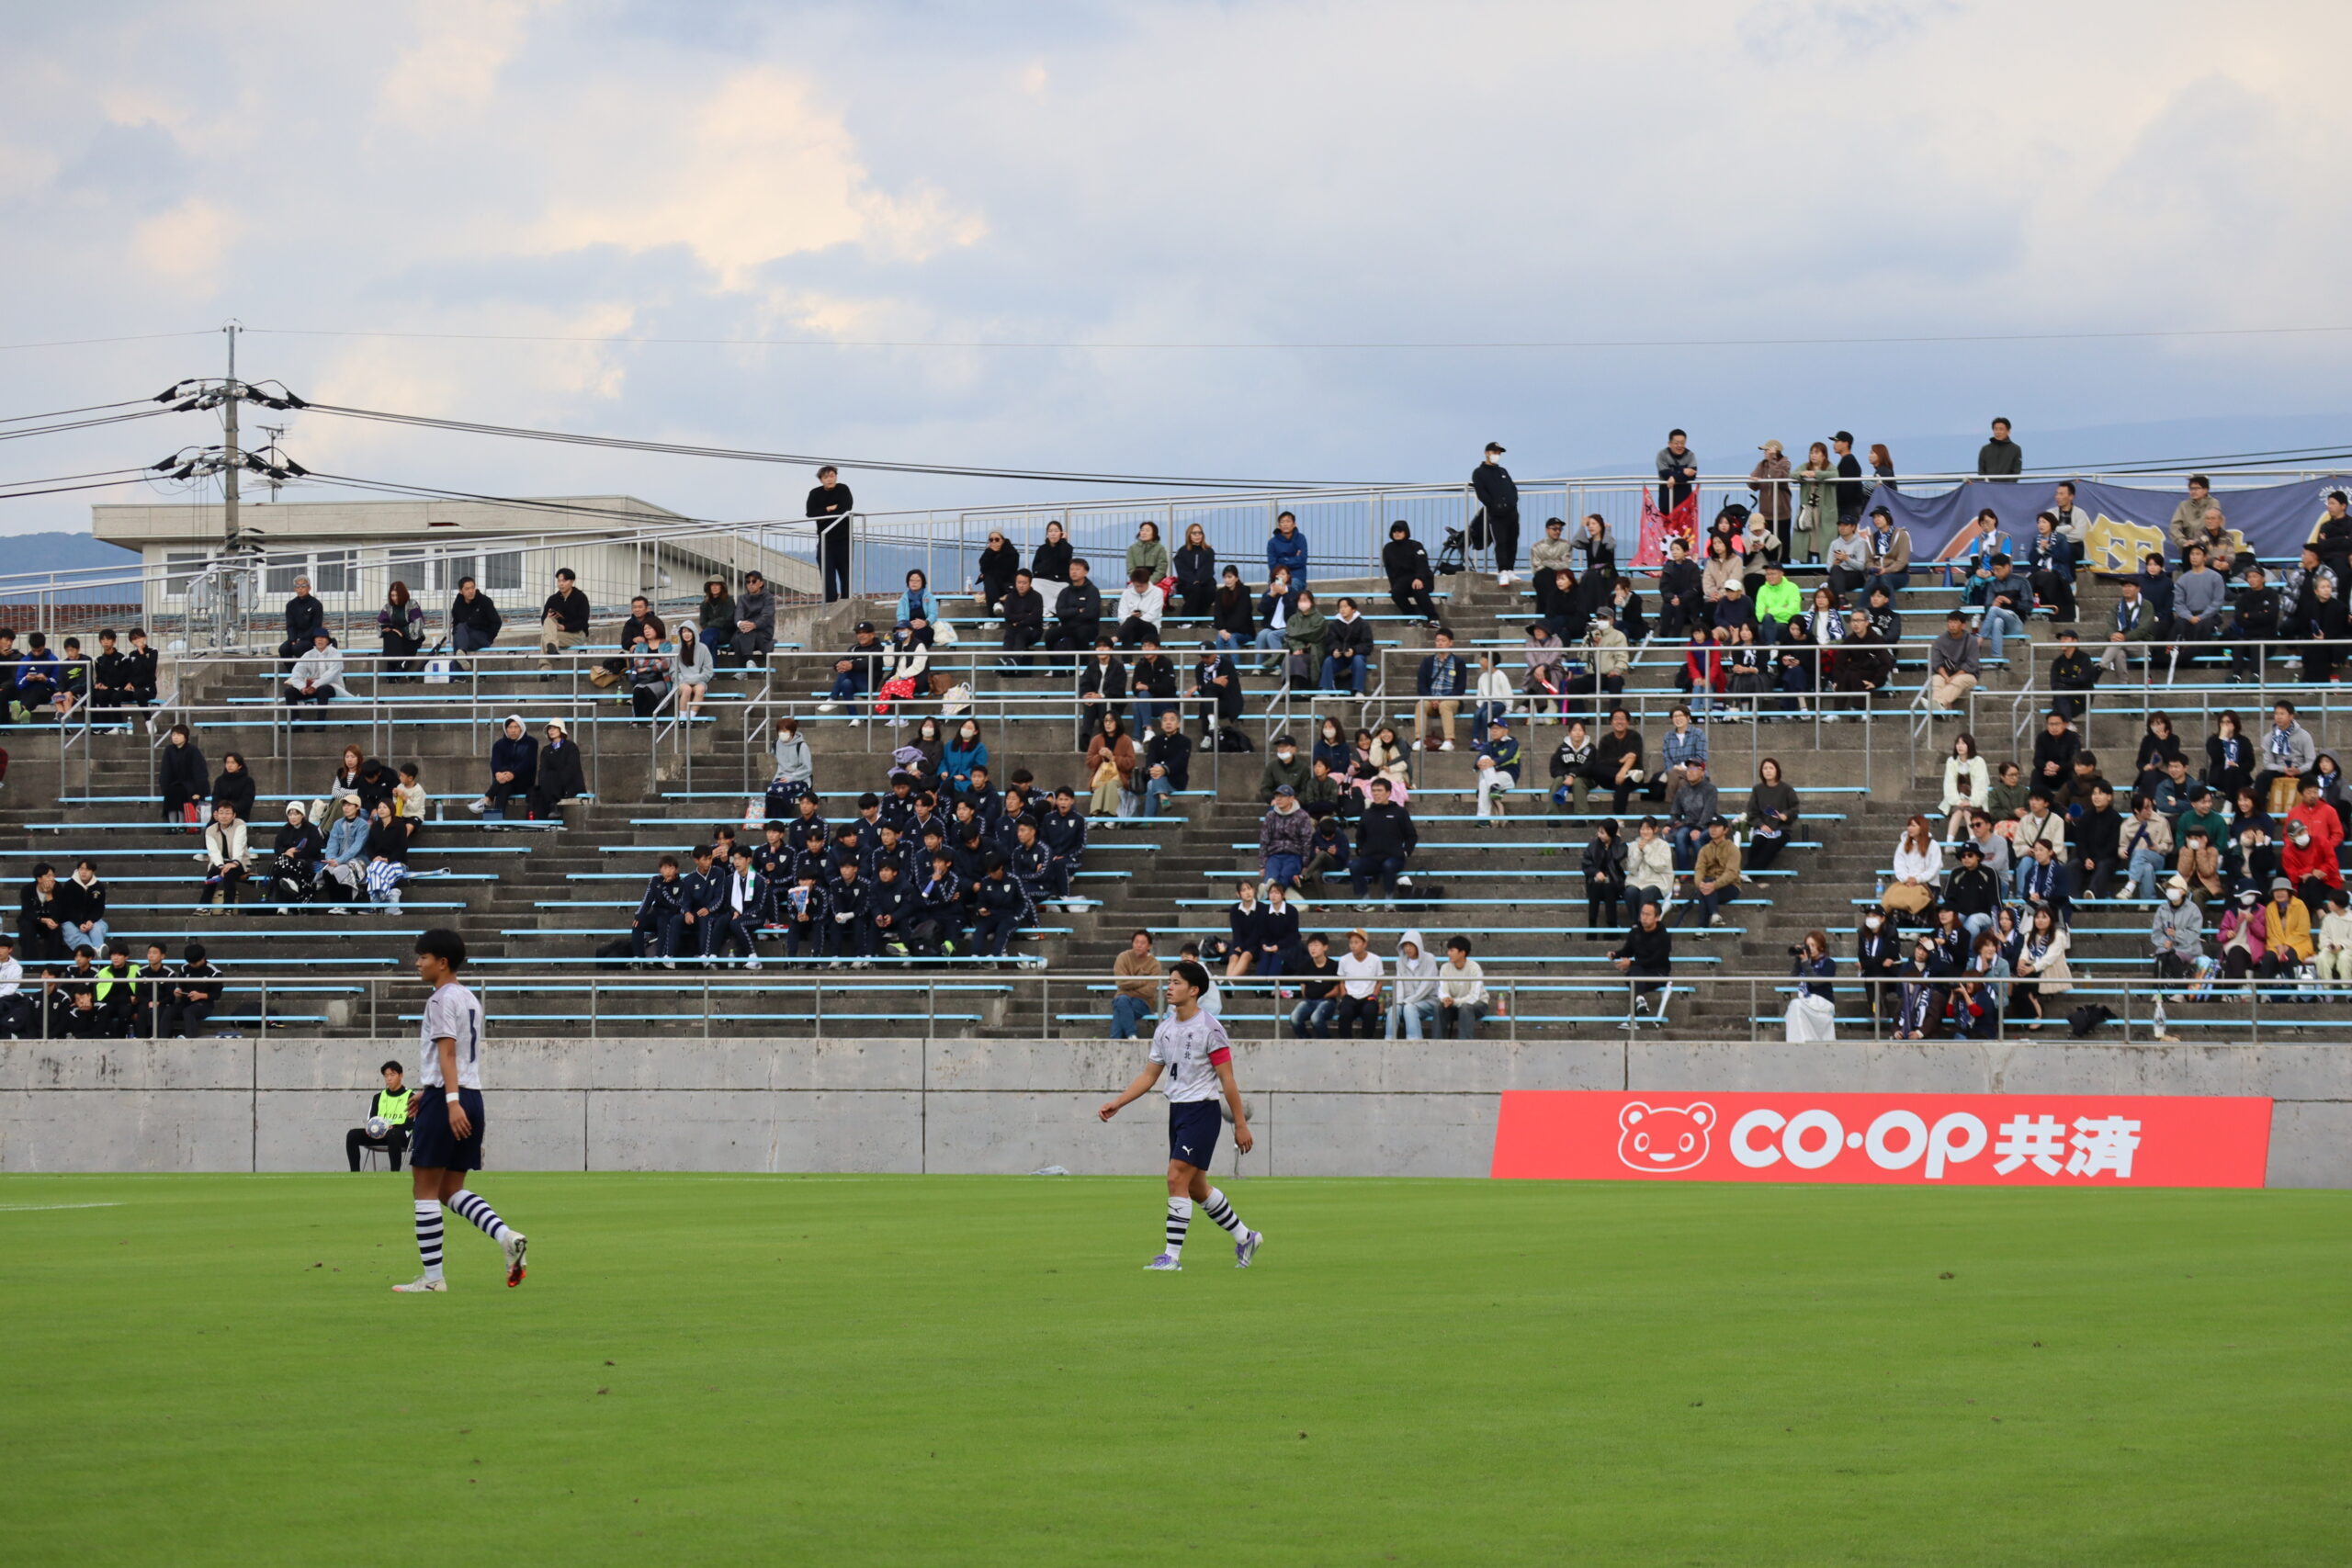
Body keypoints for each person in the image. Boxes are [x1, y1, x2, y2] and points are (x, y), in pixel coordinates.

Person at [1097, 957, 1261, 1272]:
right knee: (1197, 1187)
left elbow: (1227, 1079)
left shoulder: (1211, 1029)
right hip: (1178, 1113)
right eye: (1169, 981)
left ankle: (1171, 1257)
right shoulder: (1165, 1029)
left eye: (1175, 983)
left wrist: (1240, 1125)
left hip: (1202, 1111)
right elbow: (1149, 1076)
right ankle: (1246, 1236)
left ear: (1194, 990)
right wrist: (1119, 1102)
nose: (1168, 987)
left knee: (1175, 1177)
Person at [392, 931, 529, 1292]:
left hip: (450, 1101)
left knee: (424, 1188)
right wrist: (432, 1091)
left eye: (423, 956)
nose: (417, 963)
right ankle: (505, 1236)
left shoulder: (439, 1000)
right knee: (451, 1188)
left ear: (443, 962)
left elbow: (448, 1052)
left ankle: (433, 1279)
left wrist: (446, 1100)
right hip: (471, 1096)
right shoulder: (470, 998)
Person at [1349, 777, 1418, 908]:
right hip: (1371, 858)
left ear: (1388, 792)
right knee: (1354, 866)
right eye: (1374, 790)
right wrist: (1360, 849)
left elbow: (1411, 835)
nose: (1376, 794)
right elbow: (1360, 836)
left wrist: (1406, 852)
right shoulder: (1367, 814)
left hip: (1394, 858)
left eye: (1380, 790)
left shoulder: (1399, 812)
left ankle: (1389, 899)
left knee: (1389, 865)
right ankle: (1364, 899)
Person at [1611, 900, 1673, 1024]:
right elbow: (1628, 951)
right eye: (1642, 913)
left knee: (1634, 973)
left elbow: (1657, 960)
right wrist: (1615, 954)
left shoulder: (1664, 937)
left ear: (1657, 917)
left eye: (1648, 914)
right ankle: (1639, 1001)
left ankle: (1633, 1018)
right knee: (1635, 972)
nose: (1644, 917)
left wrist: (1631, 964)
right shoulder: (1635, 932)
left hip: (1658, 973)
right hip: (1639, 971)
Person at [347, 1060, 416, 1172]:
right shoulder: (378, 1097)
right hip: (379, 1134)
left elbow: (411, 1123)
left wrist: (392, 1126)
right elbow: (371, 1119)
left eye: (392, 1075)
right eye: (386, 1075)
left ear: (401, 1075)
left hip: (400, 1136)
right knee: (352, 1135)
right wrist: (377, 1128)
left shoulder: (411, 1096)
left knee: (393, 1134)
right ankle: (355, 1174)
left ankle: (394, 1173)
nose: (389, 1078)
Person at [1672, 817, 1740, 928]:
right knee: (1706, 887)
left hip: (1730, 886)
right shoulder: (1705, 849)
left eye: (1717, 826)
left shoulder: (1732, 849)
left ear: (1725, 830)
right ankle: (1713, 916)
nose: (1713, 829)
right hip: (1708, 886)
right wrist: (1700, 884)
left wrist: (1714, 885)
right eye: (1711, 826)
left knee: (1706, 889)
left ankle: (1703, 928)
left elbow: (1731, 873)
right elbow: (1699, 870)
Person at [1473, 442, 1520, 582]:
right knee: (1500, 541)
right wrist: (1494, 506)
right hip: (1496, 514)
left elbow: (1512, 489)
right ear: (1487, 453)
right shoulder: (1479, 472)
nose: (1497, 455)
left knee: (1512, 540)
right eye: (1494, 452)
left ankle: (1510, 569)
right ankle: (1503, 571)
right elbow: (1481, 493)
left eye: (1499, 453)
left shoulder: (1503, 471)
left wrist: (1512, 502)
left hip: (1511, 512)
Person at [1106, 929, 1163, 1040]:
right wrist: (1142, 981)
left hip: (1143, 1002)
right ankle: (1131, 1035)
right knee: (1122, 1001)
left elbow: (1149, 990)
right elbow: (1121, 982)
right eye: (1136, 942)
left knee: (1121, 1006)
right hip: (1122, 998)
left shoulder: (1154, 964)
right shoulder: (1123, 957)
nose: (1139, 945)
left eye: (1142, 943)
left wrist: (1129, 988)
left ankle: (1115, 1040)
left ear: (1149, 946)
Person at [809, 465, 854, 602]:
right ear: (821, 480)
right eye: (826, 477)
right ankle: (829, 602)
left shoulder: (843, 489)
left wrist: (824, 513)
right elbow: (810, 512)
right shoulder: (815, 493)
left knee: (845, 572)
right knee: (827, 572)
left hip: (843, 538)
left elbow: (845, 508)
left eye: (832, 476)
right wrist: (829, 508)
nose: (830, 479)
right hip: (825, 539)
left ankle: (847, 600)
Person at [1383, 521, 1441, 626]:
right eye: (1394, 531)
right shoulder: (1388, 548)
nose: (1397, 533)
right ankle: (1411, 617)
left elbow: (1422, 563)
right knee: (1396, 593)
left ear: (1406, 532)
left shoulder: (1415, 545)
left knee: (1418, 590)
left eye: (1400, 530)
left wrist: (1419, 578)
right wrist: (1394, 586)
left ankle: (1433, 618)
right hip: (1403, 581)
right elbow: (1389, 569)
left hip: (1421, 579)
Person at [1385, 929, 1440, 1040]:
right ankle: (1389, 1040)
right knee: (1393, 1009)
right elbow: (1399, 983)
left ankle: (1415, 1041)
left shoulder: (1429, 959)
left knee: (1409, 1008)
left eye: (1411, 945)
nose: (1408, 948)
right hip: (1406, 1001)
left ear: (1418, 945)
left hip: (1429, 1000)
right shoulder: (1400, 962)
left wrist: (1408, 1001)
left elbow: (1427, 986)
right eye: (1405, 945)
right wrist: (1399, 1002)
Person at [1332, 927, 1385, 1038]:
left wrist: (1374, 995)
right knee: (1345, 1013)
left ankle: (1367, 1042)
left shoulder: (1376, 960)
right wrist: (1344, 995)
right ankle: (1346, 1042)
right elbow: (1341, 981)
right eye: (1351, 942)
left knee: (1370, 1012)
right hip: (1350, 996)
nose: (1353, 945)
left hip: (1368, 996)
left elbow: (1380, 981)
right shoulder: (1344, 960)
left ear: (1365, 944)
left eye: (1356, 942)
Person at [1428, 935, 1484, 1036]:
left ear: (1462, 953)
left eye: (1452, 950)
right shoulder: (1445, 968)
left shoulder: (1475, 968)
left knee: (1465, 1008)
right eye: (1448, 950)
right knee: (1439, 1007)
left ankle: (1464, 1047)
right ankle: (1436, 1044)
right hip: (1453, 1004)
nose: (1448, 953)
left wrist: (1455, 1002)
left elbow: (1474, 997)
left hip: (1476, 1005)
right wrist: (1446, 999)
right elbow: (1443, 990)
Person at [1140, 709, 1191, 818]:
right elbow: (1150, 759)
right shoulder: (1155, 740)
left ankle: (1148, 820)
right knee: (1150, 782)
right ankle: (1163, 797)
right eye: (1165, 720)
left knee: (1152, 782)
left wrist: (1164, 769)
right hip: (1155, 776)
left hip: (1175, 780)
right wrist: (1154, 768)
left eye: (1172, 720)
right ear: (1161, 725)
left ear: (1178, 724)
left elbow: (1181, 762)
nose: (1168, 723)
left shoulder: (1185, 741)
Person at [1050, 559, 1105, 652]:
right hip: (1068, 627)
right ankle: (1055, 665)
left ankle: (1082, 664)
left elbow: (1091, 614)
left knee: (1080, 633)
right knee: (1050, 635)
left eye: (1077, 569)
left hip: (1088, 627)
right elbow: (1060, 613)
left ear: (1086, 572)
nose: (1074, 572)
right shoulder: (1065, 592)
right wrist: (1077, 610)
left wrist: (1069, 615)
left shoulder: (1092, 591)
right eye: (1071, 569)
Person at [729, 570, 775, 667]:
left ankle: (743, 668)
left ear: (761, 583)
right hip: (745, 630)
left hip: (763, 631)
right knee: (741, 635)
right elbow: (738, 614)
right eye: (748, 582)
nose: (751, 584)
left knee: (741, 636)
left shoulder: (768, 598)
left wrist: (754, 625)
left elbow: (767, 616)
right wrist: (740, 624)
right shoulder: (742, 598)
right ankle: (748, 662)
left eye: (754, 581)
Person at [1170, 523, 1217, 617]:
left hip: (1205, 582)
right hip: (1187, 583)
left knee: (1210, 591)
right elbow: (1182, 569)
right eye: (1194, 533)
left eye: (1200, 533)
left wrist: (1198, 580)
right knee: (1195, 589)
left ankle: (1198, 618)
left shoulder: (1209, 551)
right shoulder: (1182, 551)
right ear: (1189, 535)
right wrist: (1193, 580)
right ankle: (1185, 618)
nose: (1197, 535)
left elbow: (1207, 569)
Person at [1114, 568, 1165, 649]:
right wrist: (1131, 618)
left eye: (1142, 586)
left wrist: (1135, 620)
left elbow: (1152, 615)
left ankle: (1115, 638)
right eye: (1136, 586)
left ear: (1147, 582)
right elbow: (1121, 617)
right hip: (1130, 629)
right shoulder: (1126, 593)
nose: (1139, 589)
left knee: (1132, 620)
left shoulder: (1157, 592)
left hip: (1150, 628)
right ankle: (1127, 661)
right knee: (1129, 628)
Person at [1657, 429, 1699, 513]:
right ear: (1670, 444)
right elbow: (1665, 473)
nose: (1679, 445)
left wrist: (1674, 478)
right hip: (1666, 500)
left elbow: (1693, 474)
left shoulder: (1690, 455)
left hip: (1685, 501)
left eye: (1682, 443)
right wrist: (1683, 471)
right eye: (1676, 443)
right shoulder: (1662, 455)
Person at [1267, 510, 1309, 592]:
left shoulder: (1301, 538)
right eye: (1282, 522)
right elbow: (1272, 565)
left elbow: (1302, 560)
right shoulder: (1272, 542)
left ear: (1294, 524)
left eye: (1288, 521)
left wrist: (1281, 560)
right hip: (1278, 577)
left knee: (1292, 587)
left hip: (1296, 577)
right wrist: (1294, 559)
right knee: (1274, 590)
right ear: (1279, 526)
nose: (1285, 524)